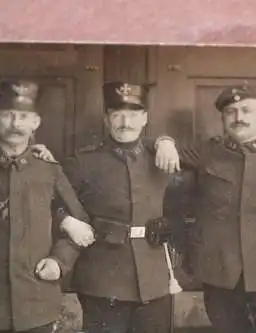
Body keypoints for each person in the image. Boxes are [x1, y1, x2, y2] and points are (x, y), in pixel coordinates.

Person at [155, 85, 256, 333]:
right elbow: (157, 159)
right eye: (231, 112)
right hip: (220, 272)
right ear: (223, 119)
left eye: (246, 111)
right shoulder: (205, 153)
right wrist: (164, 142)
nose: (239, 117)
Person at [60, 81, 188, 333]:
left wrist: (165, 141)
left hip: (155, 277)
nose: (125, 123)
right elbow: (56, 203)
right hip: (102, 278)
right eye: (117, 115)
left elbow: (185, 203)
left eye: (132, 115)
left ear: (144, 119)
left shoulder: (163, 158)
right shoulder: (82, 162)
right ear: (107, 119)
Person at [0, 80, 90, 333]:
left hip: (36, 302)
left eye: (24, 117)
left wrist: (59, 262)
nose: (16, 124)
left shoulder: (49, 171)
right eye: (7, 115)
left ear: (35, 123)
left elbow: (79, 225)